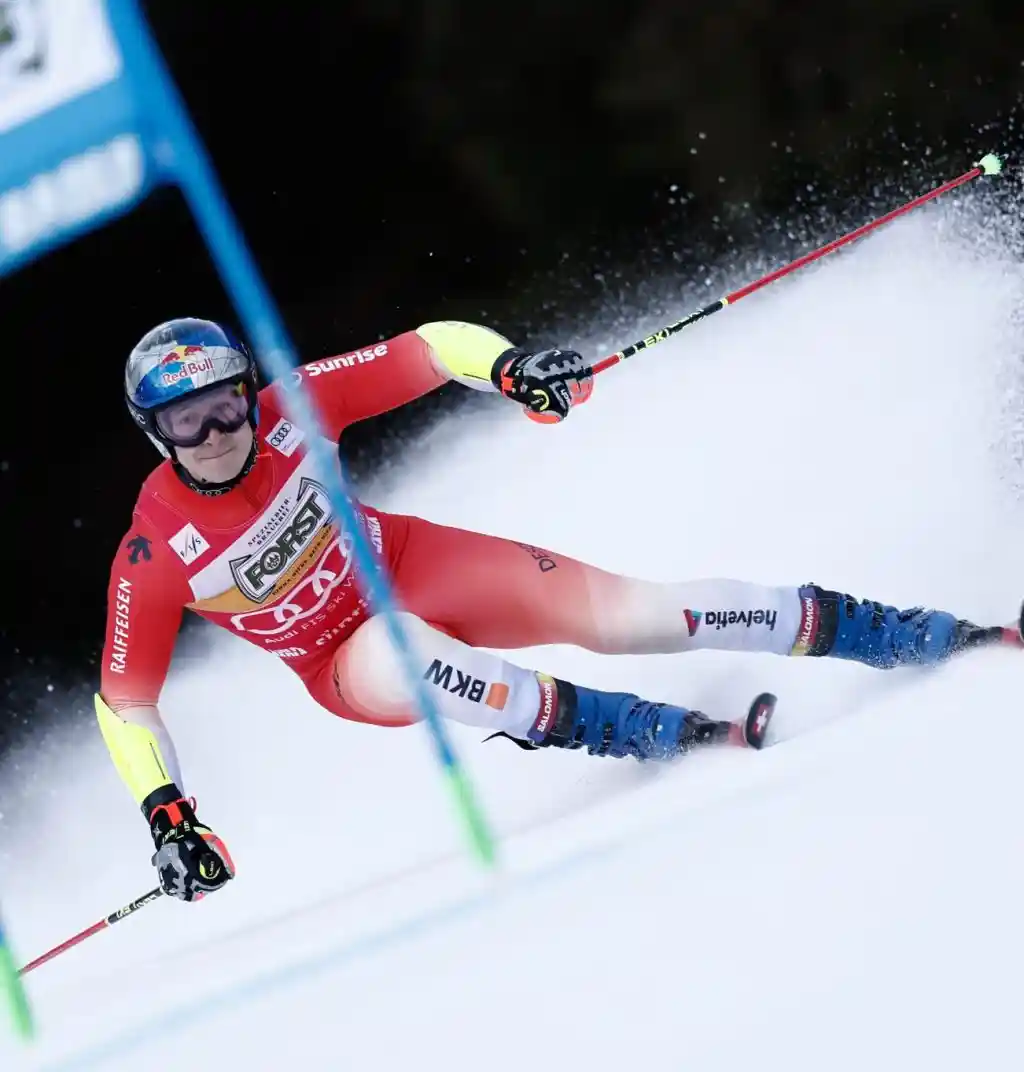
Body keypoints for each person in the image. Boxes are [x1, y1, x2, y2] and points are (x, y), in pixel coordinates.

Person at [98, 317, 1019, 903]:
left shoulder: (292, 407)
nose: (215, 434)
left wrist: (509, 368)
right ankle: (640, 730)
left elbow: (428, 347)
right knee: (400, 651)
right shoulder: (154, 548)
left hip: (416, 563)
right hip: (345, 662)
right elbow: (124, 701)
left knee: (639, 616)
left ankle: (912, 634)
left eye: (224, 407)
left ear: (246, 392)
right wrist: (168, 816)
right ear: (157, 435)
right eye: (185, 422)